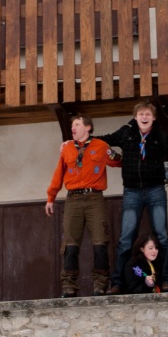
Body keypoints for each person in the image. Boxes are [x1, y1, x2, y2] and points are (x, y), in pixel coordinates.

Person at [98, 102, 168, 287]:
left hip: (156, 190)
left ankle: (166, 279)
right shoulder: (126, 132)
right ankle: (117, 283)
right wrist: (81, 141)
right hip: (132, 191)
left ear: (153, 118)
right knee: (125, 239)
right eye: (141, 114)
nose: (144, 117)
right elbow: (103, 140)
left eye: (148, 114)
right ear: (135, 117)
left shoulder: (161, 136)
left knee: (162, 237)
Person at [44, 113, 115, 296]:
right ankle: (69, 286)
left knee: (100, 241)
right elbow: (59, 173)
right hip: (73, 199)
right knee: (70, 243)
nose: (73, 128)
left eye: (77, 125)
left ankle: (100, 284)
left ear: (88, 127)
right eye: (72, 126)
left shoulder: (101, 146)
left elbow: (117, 161)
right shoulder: (67, 148)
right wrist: (51, 197)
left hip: (94, 198)